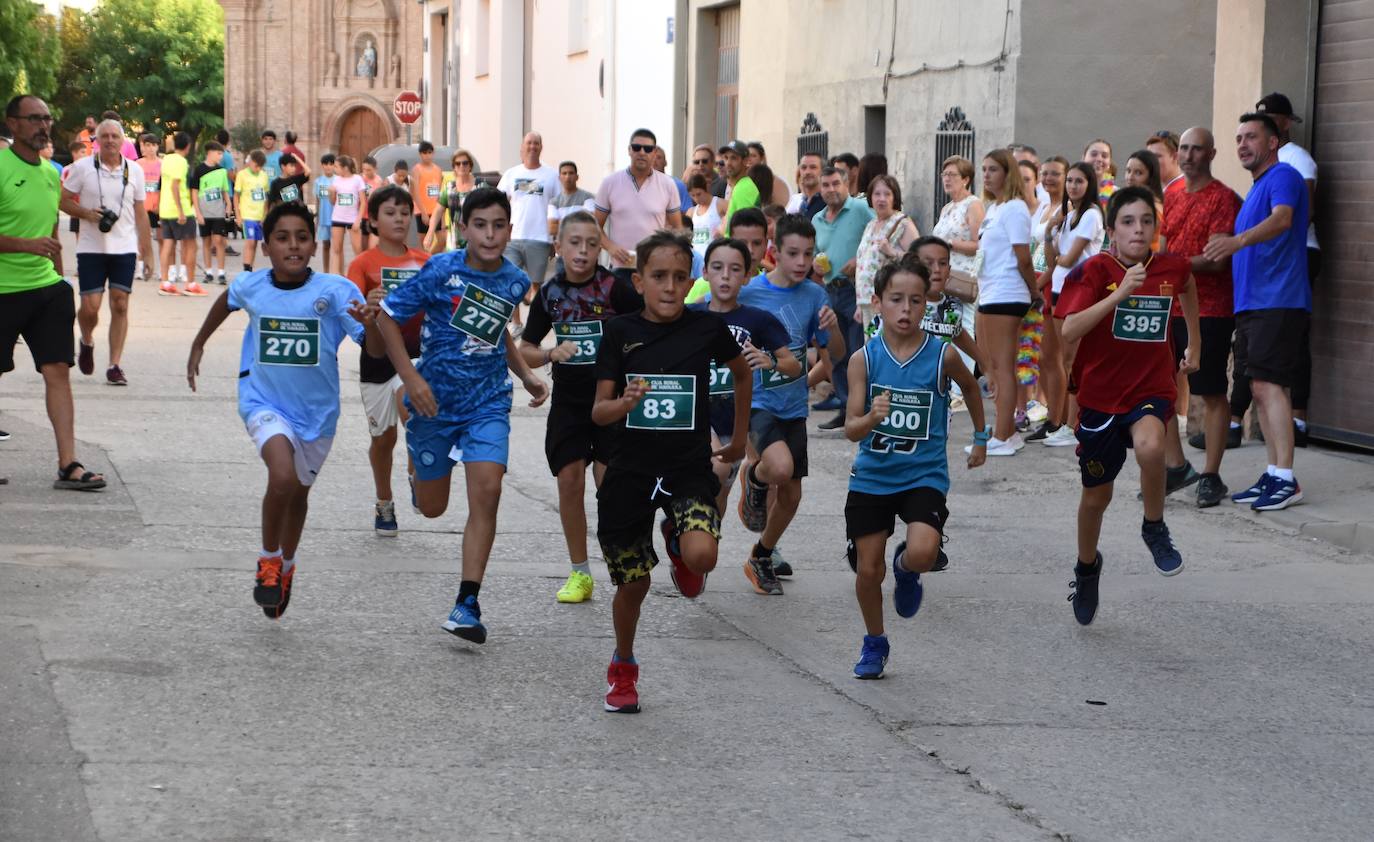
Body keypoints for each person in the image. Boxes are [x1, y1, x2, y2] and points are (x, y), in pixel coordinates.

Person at [370, 187, 550, 644]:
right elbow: (387, 318)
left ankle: (467, 602)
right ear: (465, 228)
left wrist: (525, 374)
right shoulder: (441, 270)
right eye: (481, 225)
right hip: (433, 401)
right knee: (432, 509)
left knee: (487, 490)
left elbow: (498, 332)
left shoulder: (513, 280)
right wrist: (410, 379)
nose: (490, 235)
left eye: (499, 226)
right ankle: (416, 472)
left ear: (510, 229)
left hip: (488, 401)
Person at [186, 202, 378, 619]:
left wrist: (375, 321)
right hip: (263, 401)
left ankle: (287, 567)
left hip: (318, 414)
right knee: (282, 476)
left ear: (314, 244)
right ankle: (268, 560)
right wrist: (200, 341)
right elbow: (227, 300)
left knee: (298, 494)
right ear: (267, 246)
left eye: (302, 237)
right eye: (282, 237)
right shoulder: (253, 286)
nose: (293, 245)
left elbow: (372, 345)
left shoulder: (337, 291)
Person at [590, 231, 752, 713]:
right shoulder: (619, 331)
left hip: (685, 466)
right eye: (658, 277)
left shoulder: (704, 330)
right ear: (638, 281)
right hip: (628, 471)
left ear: (692, 282)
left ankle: (680, 542)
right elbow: (598, 412)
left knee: (703, 556)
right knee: (633, 585)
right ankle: (623, 666)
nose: (669, 286)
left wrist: (739, 439)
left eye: (680, 277)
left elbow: (742, 373)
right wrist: (624, 402)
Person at [1058, 186, 1199, 626]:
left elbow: (1189, 284)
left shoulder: (1170, 267)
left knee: (1152, 446)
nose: (1138, 230)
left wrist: (1194, 340)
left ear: (1156, 228)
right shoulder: (1094, 271)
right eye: (1128, 222)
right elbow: (1068, 330)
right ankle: (1086, 568)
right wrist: (1119, 294)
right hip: (1100, 400)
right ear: (1112, 230)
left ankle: (1153, 526)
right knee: (1096, 498)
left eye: (1146, 221)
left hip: (1150, 390)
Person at [844, 254, 988, 678]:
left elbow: (970, 388)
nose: (906, 310)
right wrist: (871, 419)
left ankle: (906, 570)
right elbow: (852, 429)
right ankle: (875, 641)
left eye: (916, 301)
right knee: (868, 569)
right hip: (872, 476)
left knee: (923, 552)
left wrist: (980, 437)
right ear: (878, 303)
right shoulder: (863, 360)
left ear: (928, 304)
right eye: (896, 300)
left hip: (923, 475)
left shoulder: (941, 356)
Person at [518, 210, 642, 603]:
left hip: (610, 402)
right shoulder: (551, 294)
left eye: (592, 243)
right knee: (569, 482)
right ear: (558, 247)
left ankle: (620, 560)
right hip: (570, 404)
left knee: (609, 489)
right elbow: (525, 351)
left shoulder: (615, 288)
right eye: (575, 242)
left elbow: (643, 331)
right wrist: (553, 353)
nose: (583, 251)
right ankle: (580, 573)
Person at [1201, 113, 1310, 511]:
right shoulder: (1258, 189)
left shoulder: (1283, 178)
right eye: (1239, 138)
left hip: (1278, 300)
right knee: (1262, 390)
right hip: (1254, 304)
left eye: (1252, 137)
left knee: (1269, 386)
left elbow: (1283, 220)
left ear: (1273, 143)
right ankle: (1274, 472)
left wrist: (1237, 240)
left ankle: (1285, 477)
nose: (1243, 144)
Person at [0, 95, 106, 490]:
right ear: (13, 124)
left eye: (47, 118)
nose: (43, 126)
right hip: (3, 289)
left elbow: (51, 220)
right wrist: (25, 245)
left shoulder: (48, 172)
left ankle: (69, 464)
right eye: (34, 119)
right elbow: (32, 238)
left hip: (45, 289)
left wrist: (60, 278)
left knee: (57, 371)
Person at [736, 214, 843, 594]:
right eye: (793, 253)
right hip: (757, 402)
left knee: (793, 494)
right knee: (778, 468)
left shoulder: (815, 296)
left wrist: (833, 328)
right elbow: (707, 316)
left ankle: (761, 555)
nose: (801, 262)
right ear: (775, 252)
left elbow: (835, 358)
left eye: (808, 254)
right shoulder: (749, 293)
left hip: (794, 405)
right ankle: (754, 476)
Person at [1163, 127, 1244, 507]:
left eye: (1197, 149)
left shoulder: (1223, 198)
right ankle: (1177, 467)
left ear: (1211, 154)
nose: (1189, 155)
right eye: (1184, 148)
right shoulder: (1172, 194)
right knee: (1159, 389)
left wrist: (1170, 267)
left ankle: (1211, 475)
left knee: (1210, 392)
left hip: (1210, 309)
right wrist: (1160, 273)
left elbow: (1218, 260)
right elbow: (1163, 247)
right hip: (1168, 306)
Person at [690, 237, 798, 516]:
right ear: (704, 272)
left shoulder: (758, 319)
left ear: (748, 276)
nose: (725, 276)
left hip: (740, 416)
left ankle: (697, 540)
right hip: (698, 414)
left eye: (735, 269)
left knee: (721, 495)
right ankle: (684, 526)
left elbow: (793, 365)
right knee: (717, 469)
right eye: (717, 267)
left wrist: (770, 360)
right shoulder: (689, 316)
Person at [346, 184, 431, 536]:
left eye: (404, 213)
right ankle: (384, 502)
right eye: (390, 213)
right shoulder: (363, 264)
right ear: (373, 220)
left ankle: (415, 473)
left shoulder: (425, 261)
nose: (398, 219)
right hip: (377, 359)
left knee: (412, 411)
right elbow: (352, 315)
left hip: (417, 356)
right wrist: (368, 304)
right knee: (383, 438)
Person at [58, 118, 155, 387]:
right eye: (106, 136)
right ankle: (87, 341)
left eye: (115, 136)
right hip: (91, 247)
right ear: (96, 140)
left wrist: (148, 252)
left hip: (124, 247)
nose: (111, 140)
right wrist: (87, 214)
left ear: (123, 141)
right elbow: (62, 200)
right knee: (90, 308)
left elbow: (140, 212)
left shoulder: (133, 171)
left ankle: (115, 364)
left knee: (120, 303)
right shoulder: (82, 168)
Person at [1255, 91, 1320, 445]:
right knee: (1267, 343)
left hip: (1299, 253)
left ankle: (1299, 418)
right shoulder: (1266, 164)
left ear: (1284, 123)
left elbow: (1304, 212)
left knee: (1295, 336)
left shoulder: (1298, 160)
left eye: (1268, 119)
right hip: (1270, 259)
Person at [1031, 158, 1099, 447]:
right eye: (1070, 180)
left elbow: (1068, 259)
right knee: (1056, 357)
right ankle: (1059, 421)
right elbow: (1051, 259)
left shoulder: (1091, 215)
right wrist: (1049, 232)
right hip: (1060, 289)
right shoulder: (1069, 215)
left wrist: (1057, 251)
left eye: (1078, 181)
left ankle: (1074, 425)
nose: (1072, 186)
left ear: (1089, 184)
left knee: (1074, 361)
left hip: (1079, 291)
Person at [973, 149, 1036, 455]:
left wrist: (1035, 292)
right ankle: (1005, 430)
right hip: (989, 293)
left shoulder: (1014, 208)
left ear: (1007, 172)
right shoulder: (994, 208)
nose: (986, 174)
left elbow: (1023, 258)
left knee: (1003, 367)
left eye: (993, 169)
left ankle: (1003, 435)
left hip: (1008, 292)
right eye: (984, 169)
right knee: (992, 366)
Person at [812, 165, 875, 431]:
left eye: (836, 184)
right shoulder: (817, 219)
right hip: (830, 289)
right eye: (825, 185)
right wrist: (815, 265)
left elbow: (878, 234)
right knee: (835, 352)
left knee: (857, 351)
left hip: (855, 290)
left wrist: (859, 259)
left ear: (846, 184)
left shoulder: (860, 210)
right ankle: (845, 407)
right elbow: (815, 251)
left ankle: (863, 411)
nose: (831, 190)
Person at [593, 128, 684, 284]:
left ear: (654, 153)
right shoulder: (610, 183)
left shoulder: (668, 184)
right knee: (623, 308)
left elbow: (677, 228)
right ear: (629, 150)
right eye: (636, 147)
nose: (642, 152)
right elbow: (594, 226)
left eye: (647, 149)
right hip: (620, 268)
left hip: (654, 268)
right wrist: (611, 247)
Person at [930, 155, 985, 391]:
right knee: (945, 327)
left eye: (952, 175)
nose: (947, 179)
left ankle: (963, 386)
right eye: (944, 175)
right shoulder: (946, 208)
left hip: (963, 279)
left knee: (964, 328)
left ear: (966, 179)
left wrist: (948, 244)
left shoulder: (973, 205)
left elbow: (979, 244)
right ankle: (948, 381)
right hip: (944, 276)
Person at [497, 131, 559, 304]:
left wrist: (556, 237)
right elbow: (500, 204)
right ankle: (516, 324)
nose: (532, 146)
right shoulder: (511, 174)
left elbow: (558, 206)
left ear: (541, 147)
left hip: (540, 238)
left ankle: (533, 324)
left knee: (536, 286)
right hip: (513, 236)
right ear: (522, 147)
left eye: (536, 143)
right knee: (512, 282)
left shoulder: (551, 175)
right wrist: (501, 230)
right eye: (529, 143)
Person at [912, 235, 987, 376]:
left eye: (942, 263)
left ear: (949, 270)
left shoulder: (952, 306)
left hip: (938, 389)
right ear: (913, 267)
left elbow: (957, 333)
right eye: (928, 263)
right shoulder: (901, 304)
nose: (937, 269)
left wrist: (985, 364)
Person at [853, 174, 919, 333]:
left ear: (894, 197)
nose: (881, 199)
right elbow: (863, 264)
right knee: (872, 348)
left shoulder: (902, 223)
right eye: (877, 194)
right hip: (867, 301)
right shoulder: (871, 224)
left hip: (888, 300)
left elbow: (918, 259)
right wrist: (859, 304)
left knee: (886, 347)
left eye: (887, 194)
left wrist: (892, 252)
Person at [156, 132, 204, 296]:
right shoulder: (182, 162)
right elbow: (175, 186)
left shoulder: (166, 159)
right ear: (188, 146)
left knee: (168, 244)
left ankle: (165, 282)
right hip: (180, 209)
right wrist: (181, 211)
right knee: (191, 246)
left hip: (165, 208)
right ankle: (190, 284)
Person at [191, 141, 233, 285]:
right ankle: (208, 271)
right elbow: (194, 192)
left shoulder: (222, 171)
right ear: (210, 153)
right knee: (206, 242)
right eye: (219, 153)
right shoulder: (199, 170)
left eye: (222, 153)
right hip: (204, 212)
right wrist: (198, 212)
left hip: (218, 212)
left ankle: (221, 272)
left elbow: (224, 190)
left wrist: (228, 204)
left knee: (219, 241)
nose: (221, 156)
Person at [427, 149, 479, 252]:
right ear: (454, 167)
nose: (461, 166)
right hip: (454, 242)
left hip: (476, 242)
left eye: (465, 163)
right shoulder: (449, 188)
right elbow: (437, 212)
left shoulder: (480, 186)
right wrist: (430, 232)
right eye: (457, 164)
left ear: (470, 166)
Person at [234, 150, 270, 273]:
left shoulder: (264, 176)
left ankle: (250, 267)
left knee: (255, 243)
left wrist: (265, 215)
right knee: (249, 242)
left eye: (260, 167)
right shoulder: (242, 175)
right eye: (256, 166)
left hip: (259, 216)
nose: (258, 169)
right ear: (251, 162)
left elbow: (265, 197)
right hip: (247, 215)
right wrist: (238, 215)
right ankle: (246, 269)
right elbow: (236, 196)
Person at [327, 155, 365, 270]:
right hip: (338, 217)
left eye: (337, 167)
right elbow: (333, 202)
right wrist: (331, 193)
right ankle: (337, 275)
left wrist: (358, 220)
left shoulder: (357, 179)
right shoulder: (336, 179)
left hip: (352, 218)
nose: (334, 169)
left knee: (358, 250)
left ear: (345, 168)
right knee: (336, 249)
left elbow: (363, 202)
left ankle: (360, 273)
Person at [544, 159, 594, 240]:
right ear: (559, 178)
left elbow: (588, 224)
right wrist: (578, 222)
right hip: (562, 248)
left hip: (582, 247)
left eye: (571, 173)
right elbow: (552, 229)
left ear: (577, 177)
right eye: (564, 173)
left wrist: (560, 222)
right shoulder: (554, 202)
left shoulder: (587, 197)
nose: (567, 176)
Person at [135, 133, 161, 282]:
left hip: (157, 207)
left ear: (158, 147)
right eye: (148, 145)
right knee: (141, 240)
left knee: (162, 238)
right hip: (142, 207)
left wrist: (160, 204)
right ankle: (139, 269)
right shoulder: (138, 164)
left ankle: (161, 270)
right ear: (143, 147)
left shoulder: (162, 164)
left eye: (154, 145)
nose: (151, 148)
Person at [411, 141, 443, 249]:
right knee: (424, 243)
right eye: (425, 153)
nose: (427, 155)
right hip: (422, 211)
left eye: (430, 152)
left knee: (442, 239)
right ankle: (426, 262)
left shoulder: (438, 170)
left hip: (436, 211)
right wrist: (423, 213)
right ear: (420, 154)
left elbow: (440, 192)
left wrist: (441, 214)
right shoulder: (417, 170)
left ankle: (432, 259)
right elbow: (415, 193)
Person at [686, 173, 726, 258]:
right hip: (696, 259)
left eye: (699, 194)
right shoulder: (691, 212)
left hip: (716, 257)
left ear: (706, 188)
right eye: (693, 195)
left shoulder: (720, 205)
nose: (696, 198)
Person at [745, 141, 791, 205]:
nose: (749, 159)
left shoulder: (775, 180)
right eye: (746, 156)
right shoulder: (741, 180)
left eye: (753, 156)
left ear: (762, 158)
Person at [785, 151, 825, 219]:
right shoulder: (799, 202)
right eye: (803, 167)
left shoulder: (828, 202)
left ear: (823, 171)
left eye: (813, 167)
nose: (807, 172)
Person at [314, 153, 337, 273]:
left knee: (336, 246)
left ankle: (336, 270)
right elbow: (317, 200)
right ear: (322, 166)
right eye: (326, 164)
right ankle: (326, 270)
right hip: (323, 217)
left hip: (336, 217)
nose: (328, 167)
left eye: (331, 164)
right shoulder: (318, 181)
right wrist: (316, 219)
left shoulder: (338, 180)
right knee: (326, 244)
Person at [1084, 138, 1117, 209]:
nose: (1099, 159)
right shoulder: (1073, 189)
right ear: (1084, 158)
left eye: (1104, 156)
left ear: (1109, 163)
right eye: (1094, 154)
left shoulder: (1116, 196)